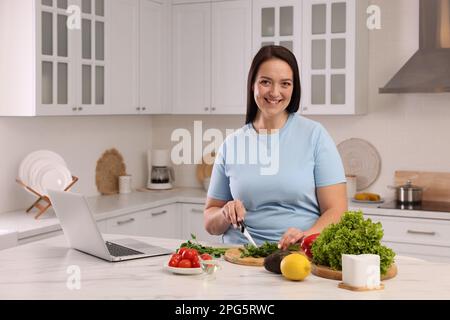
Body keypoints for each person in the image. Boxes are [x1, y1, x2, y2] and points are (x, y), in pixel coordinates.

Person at [204, 45, 348, 250]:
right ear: (252, 85)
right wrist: (224, 213)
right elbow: (210, 222)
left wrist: (304, 238)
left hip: (297, 256)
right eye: (265, 82)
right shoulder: (231, 144)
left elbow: (337, 210)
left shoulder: (315, 136)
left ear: (293, 88)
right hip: (239, 256)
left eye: (285, 83)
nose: (274, 92)